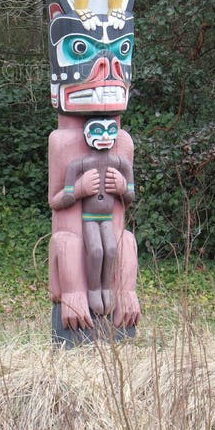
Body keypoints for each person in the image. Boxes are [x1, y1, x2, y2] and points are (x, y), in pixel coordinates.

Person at [58, 118, 135, 316]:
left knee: (111, 248)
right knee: (95, 249)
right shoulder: (78, 162)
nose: (105, 137)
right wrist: (79, 188)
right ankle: (93, 290)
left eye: (110, 131)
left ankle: (107, 288)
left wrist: (122, 187)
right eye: (98, 131)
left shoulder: (120, 161)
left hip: (108, 217)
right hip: (89, 217)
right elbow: (62, 198)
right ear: (86, 134)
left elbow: (130, 197)